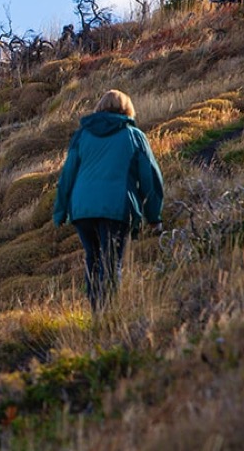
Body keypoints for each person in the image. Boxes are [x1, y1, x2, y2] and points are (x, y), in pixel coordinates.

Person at [53, 89, 164, 312]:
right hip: (116, 207)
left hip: (82, 209)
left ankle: (95, 311)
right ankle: (108, 315)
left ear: (99, 107)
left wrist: (60, 211)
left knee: (93, 259)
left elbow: (67, 175)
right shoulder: (133, 136)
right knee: (112, 262)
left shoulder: (82, 135)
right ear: (127, 109)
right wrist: (154, 216)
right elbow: (150, 177)